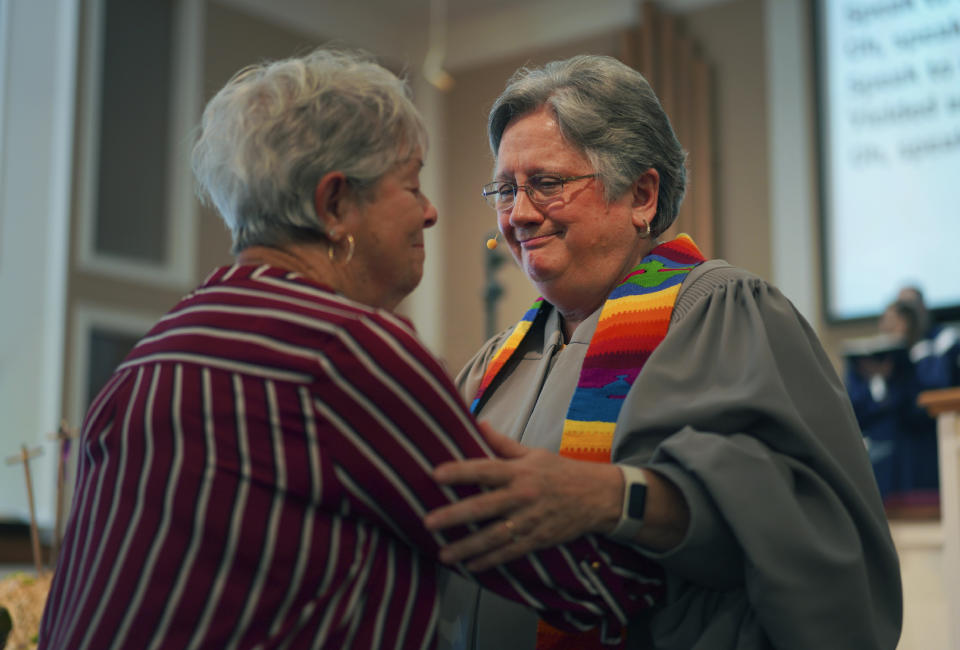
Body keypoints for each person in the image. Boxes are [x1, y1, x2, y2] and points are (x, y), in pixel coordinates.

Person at [38, 49, 666, 650]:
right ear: (335, 204)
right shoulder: (344, 352)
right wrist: (667, 511)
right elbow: (580, 587)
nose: (430, 212)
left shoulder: (156, 350)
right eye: (411, 184)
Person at [424, 55, 902, 650]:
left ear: (642, 193)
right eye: (505, 189)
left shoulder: (722, 314)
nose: (518, 214)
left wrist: (613, 498)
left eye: (546, 184)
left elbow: (807, 528)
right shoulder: (496, 362)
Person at [846, 288, 959, 512]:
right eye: (886, 322)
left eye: (899, 321)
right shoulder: (865, 363)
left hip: (916, 460)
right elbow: (853, 413)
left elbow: (923, 407)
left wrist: (895, 377)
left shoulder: (927, 358)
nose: (891, 328)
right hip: (878, 459)